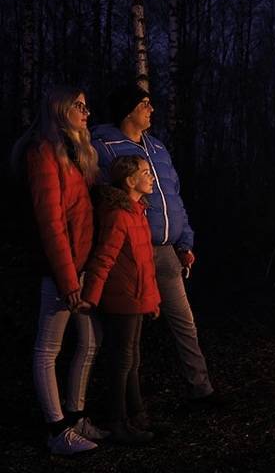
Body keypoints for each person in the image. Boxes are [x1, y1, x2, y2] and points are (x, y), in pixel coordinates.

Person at [91, 83, 222, 406]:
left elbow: (174, 198)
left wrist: (185, 240)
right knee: (128, 330)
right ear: (128, 110)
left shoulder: (158, 149)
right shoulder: (103, 144)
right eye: (145, 104)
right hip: (130, 250)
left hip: (166, 251)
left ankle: (201, 389)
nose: (151, 109)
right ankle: (124, 402)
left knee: (184, 321)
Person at [10, 86, 109, 455]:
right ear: (60, 110)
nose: (87, 113)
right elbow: (51, 224)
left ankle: (76, 414)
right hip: (60, 271)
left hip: (81, 267)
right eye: (79, 106)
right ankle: (56, 431)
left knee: (90, 340)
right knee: (48, 348)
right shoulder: (43, 154)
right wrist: (67, 279)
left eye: (87, 106)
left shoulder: (75, 154)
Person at [82, 156, 161, 444]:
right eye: (145, 172)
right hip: (122, 299)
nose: (151, 176)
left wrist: (153, 300)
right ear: (130, 181)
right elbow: (104, 258)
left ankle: (135, 414)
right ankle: (117, 422)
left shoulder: (137, 212)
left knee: (132, 358)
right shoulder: (118, 215)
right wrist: (90, 298)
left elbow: (144, 263)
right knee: (122, 361)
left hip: (137, 297)